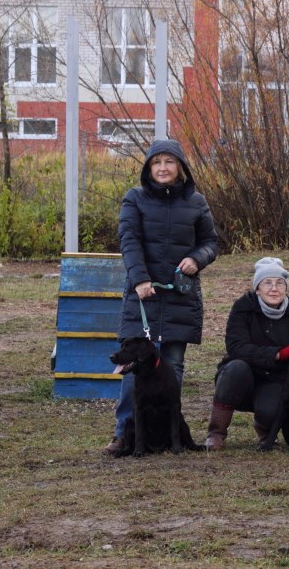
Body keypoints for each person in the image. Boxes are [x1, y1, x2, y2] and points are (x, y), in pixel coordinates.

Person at [104, 139, 219, 456]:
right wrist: (140, 279)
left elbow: (211, 242)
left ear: (180, 166)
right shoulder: (135, 199)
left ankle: (169, 434)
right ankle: (123, 434)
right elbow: (129, 240)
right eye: (157, 162)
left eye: (170, 161)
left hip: (180, 296)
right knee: (131, 367)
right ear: (148, 168)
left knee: (173, 365)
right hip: (142, 296)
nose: (164, 168)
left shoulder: (196, 201)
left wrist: (197, 259)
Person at [204, 257, 289, 450]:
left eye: (279, 283)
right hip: (242, 374)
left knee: (272, 410)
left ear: (286, 287)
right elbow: (236, 347)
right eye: (267, 283)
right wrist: (276, 354)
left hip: (274, 378)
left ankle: (264, 427)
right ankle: (216, 433)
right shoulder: (243, 307)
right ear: (257, 288)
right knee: (235, 369)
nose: (274, 288)